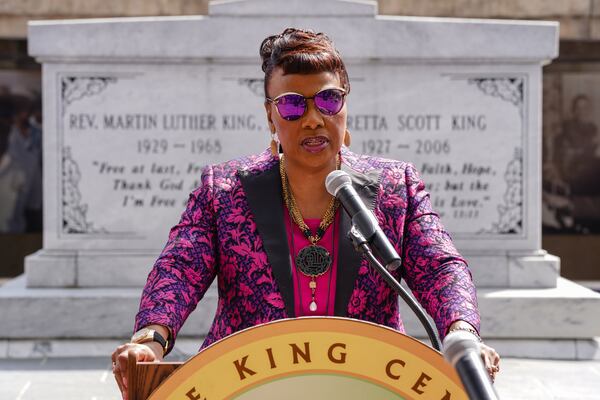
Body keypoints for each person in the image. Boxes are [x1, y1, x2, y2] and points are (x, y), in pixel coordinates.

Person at [111, 28, 500, 398]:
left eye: (329, 100)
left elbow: (439, 267)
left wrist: (463, 334)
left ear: (345, 105)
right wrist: (150, 340)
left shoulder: (396, 186)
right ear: (270, 116)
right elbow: (178, 269)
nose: (313, 118)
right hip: (248, 388)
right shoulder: (224, 191)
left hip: (368, 386)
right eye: (293, 105)